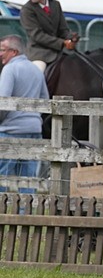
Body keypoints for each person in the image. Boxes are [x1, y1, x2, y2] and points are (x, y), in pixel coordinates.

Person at [0, 35, 49, 193]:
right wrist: (33, 118)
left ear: (13, 51)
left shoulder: (10, 69)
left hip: (11, 131)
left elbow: (3, 102)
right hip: (34, 130)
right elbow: (45, 100)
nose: (0, 54)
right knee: (29, 179)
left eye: (2, 50)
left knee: (2, 176)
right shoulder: (36, 70)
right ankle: (25, 214)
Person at [18, 0, 77, 73]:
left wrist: (71, 38)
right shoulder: (27, 9)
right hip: (39, 53)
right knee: (38, 72)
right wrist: (62, 42)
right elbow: (37, 35)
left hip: (59, 52)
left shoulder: (56, 5)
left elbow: (63, 29)